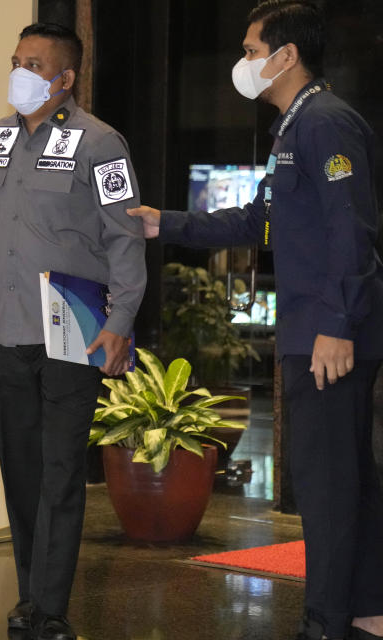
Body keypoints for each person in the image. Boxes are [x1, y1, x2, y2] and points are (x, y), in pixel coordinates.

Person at [128, 2, 383, 639]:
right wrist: (168, 224)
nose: (242, 64)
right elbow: (258, 221)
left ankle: (325, 623)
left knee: (325, 490)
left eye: (249, 50)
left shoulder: (325, 123)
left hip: (327, 334)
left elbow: (353, 231)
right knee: (348, 483)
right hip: (313, 329)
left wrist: (337, 325)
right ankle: (367, 612)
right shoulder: (294, 128)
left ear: (285, 55)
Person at [0, 23, 146, 640]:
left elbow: (125, 237)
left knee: (62, 471)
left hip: (74, 329)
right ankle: (28, 594)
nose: (19, 71)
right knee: (22, 471)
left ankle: (52, 608)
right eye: (16, 60)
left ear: (65, 79)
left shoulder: (100, 143)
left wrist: (120, 322)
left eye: (33, 64)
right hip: (6, 328)